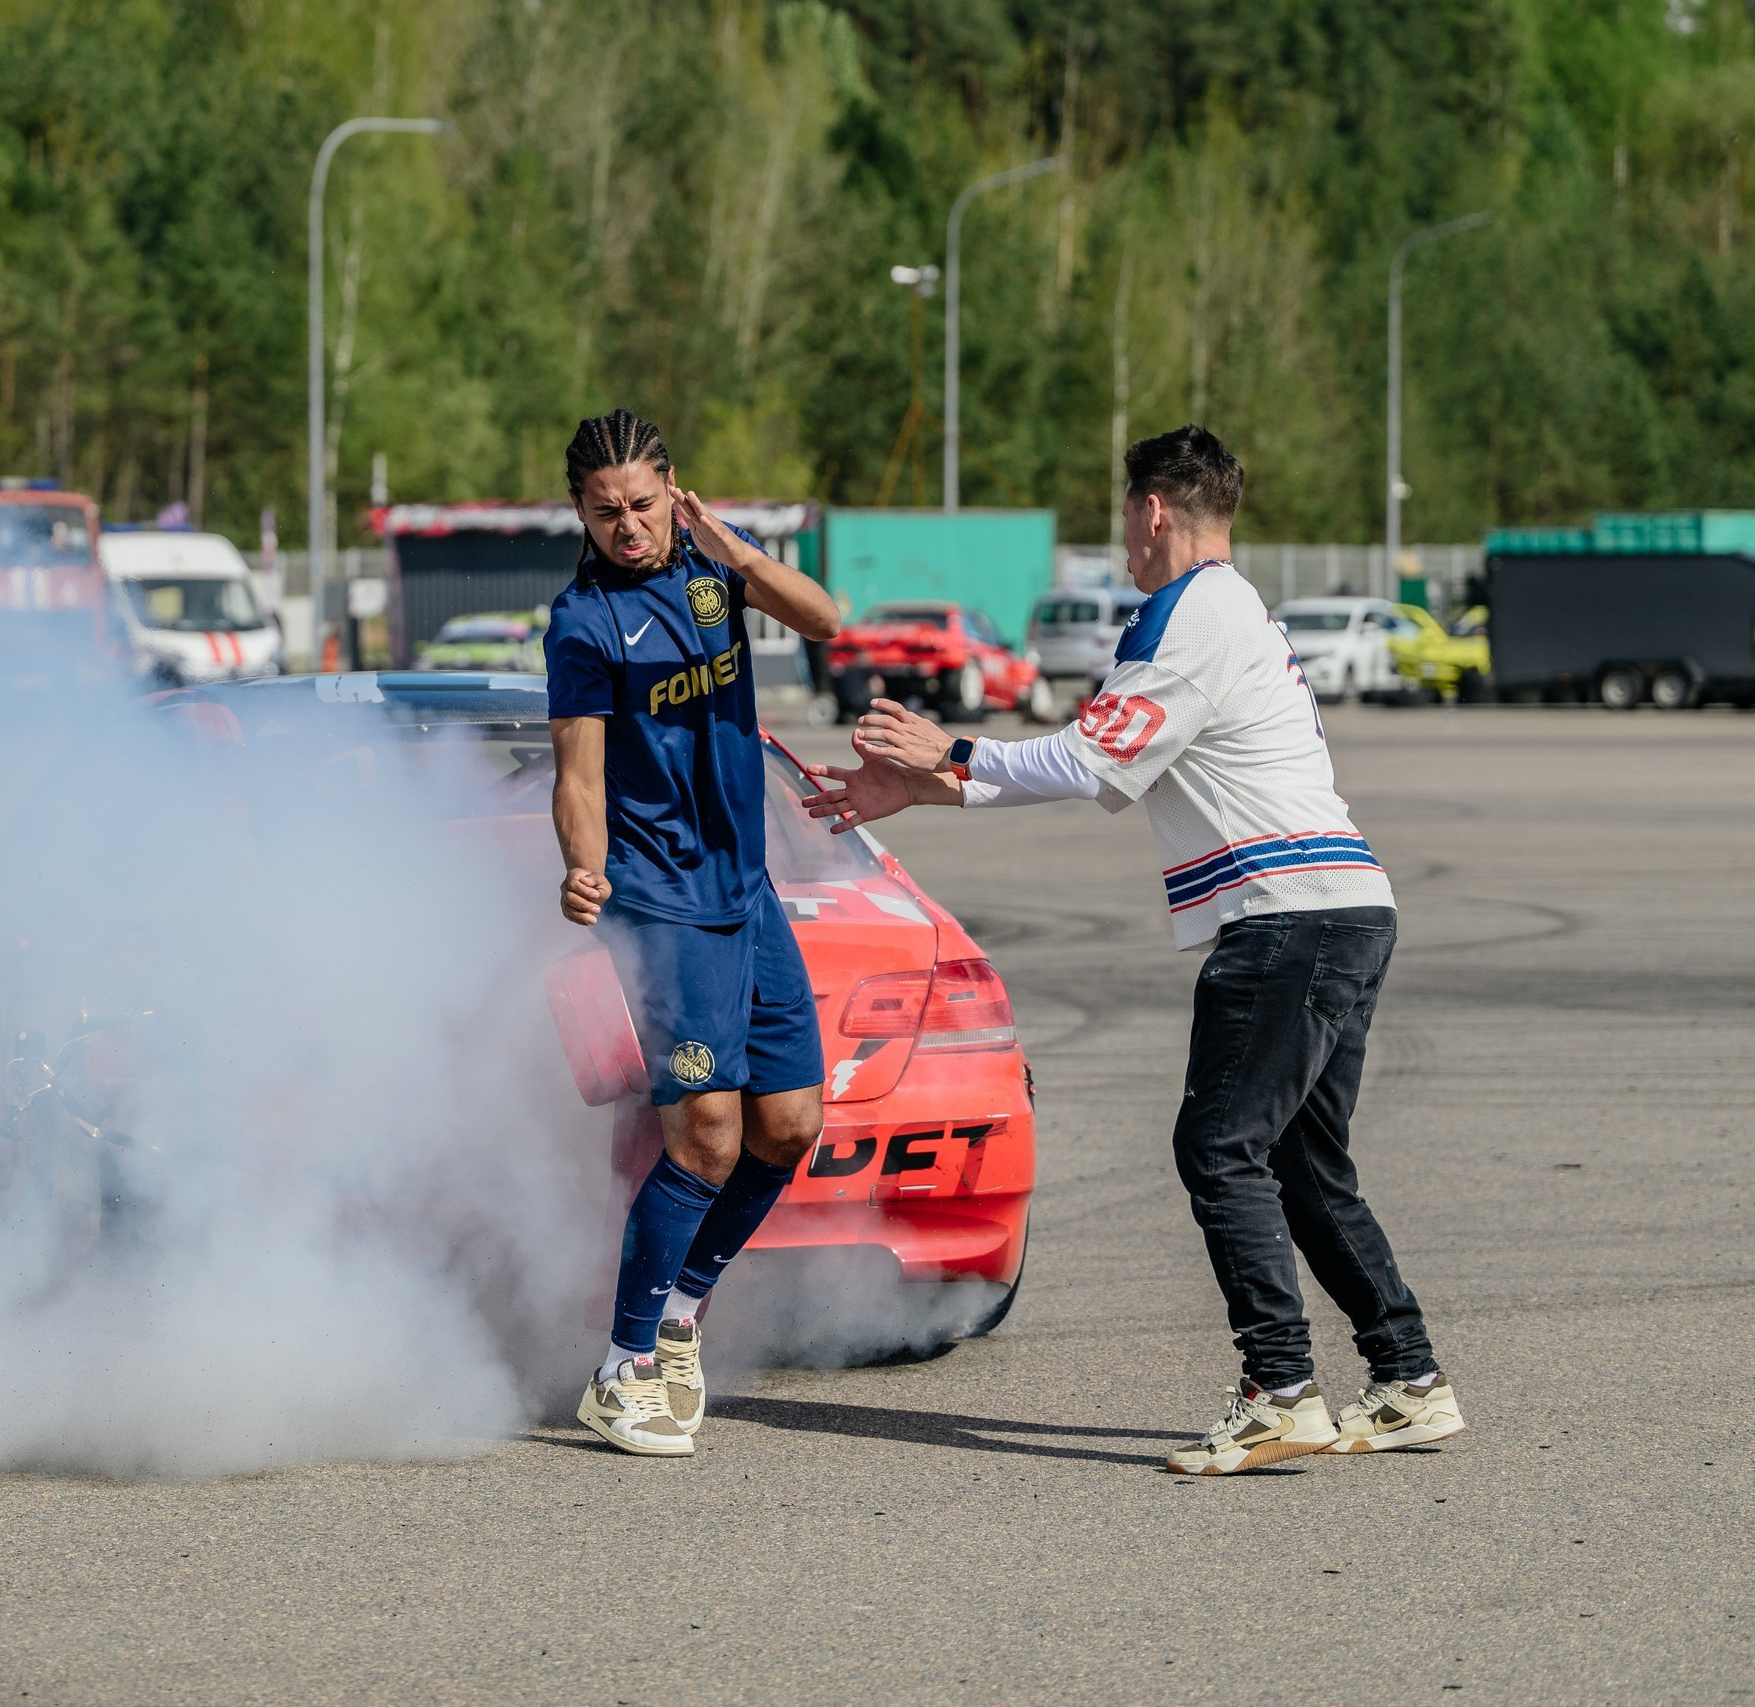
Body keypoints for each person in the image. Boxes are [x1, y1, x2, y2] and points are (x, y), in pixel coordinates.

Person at [802, 424, 1465, 1476]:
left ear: (1153, 509)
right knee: (1300, 1163)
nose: (1121, 536)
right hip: (1342, 907)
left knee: (1220, 1149)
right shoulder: (1225, 609)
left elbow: (1085, 759)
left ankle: (1281, 1389)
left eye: (1122, 513)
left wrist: (953, 747)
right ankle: (1408, 1379)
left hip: (1287, 917)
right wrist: (929, 788)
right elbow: (1109, 770)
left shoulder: (1189, 613)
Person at [545, 408, 843, 1456]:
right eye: (604, 512)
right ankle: (620, 1369)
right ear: (580, 513)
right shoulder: (583, 622)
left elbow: (826, 621)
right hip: (660, 898)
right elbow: (578, 775)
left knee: (790, 1127)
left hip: (746, 890)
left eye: (641, 504)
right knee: (709, 1136)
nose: (627, 527)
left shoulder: (717, 568)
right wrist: (582, 864)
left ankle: (678, 1317)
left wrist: (735, 552)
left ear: (673, 490)